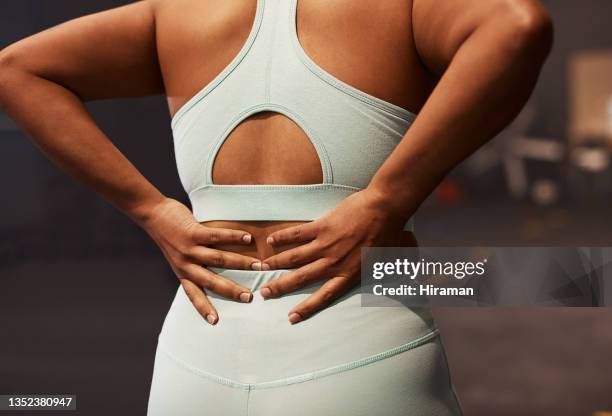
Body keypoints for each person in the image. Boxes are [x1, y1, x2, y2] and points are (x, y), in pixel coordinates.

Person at [0, 0, 553, 414]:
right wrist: (388, 199)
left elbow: (15, 69)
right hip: (361, 357)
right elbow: (518, 27)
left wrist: (151, 211)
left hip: (194, 362)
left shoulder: (177, 13)